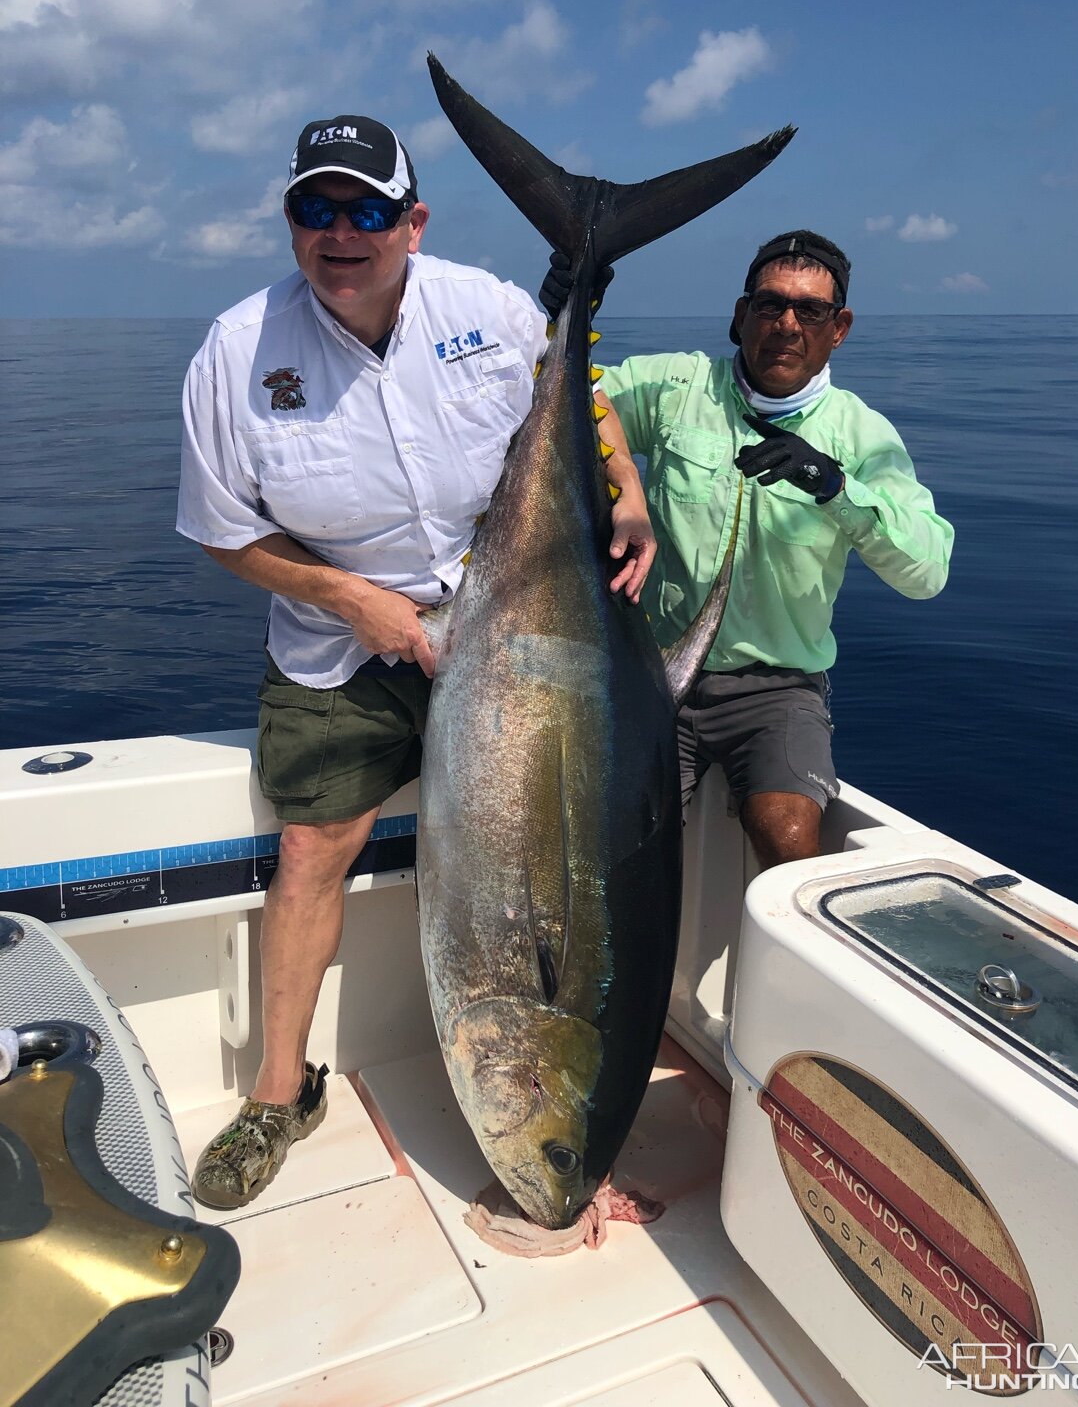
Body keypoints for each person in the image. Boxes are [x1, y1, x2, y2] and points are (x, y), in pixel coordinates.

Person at [177, 114, 654, 1208]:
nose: (341, 233)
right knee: (313, 849)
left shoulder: (487, 308)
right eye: (316, 209)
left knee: (556, 851)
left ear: (413, 220)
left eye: (367, 211)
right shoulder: (237, 351)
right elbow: (220, 531)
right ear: (290, 219)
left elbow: (579, 396)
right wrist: (353, 599)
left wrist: (623, 490)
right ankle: (277, 1094)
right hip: (342, 647)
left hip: (518, 622)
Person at [540, 230, 954, 869]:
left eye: (810, 311)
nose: (787, 324)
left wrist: (833, 485)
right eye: (769, 305)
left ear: (838, 327)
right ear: (740, 316)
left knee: (789, 842)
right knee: (610, 851)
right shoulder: (679, 387)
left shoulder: (862, 434)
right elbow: (565, 398)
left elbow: (927, 571)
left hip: (777, 688)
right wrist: (558, 318)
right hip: (650, 673)